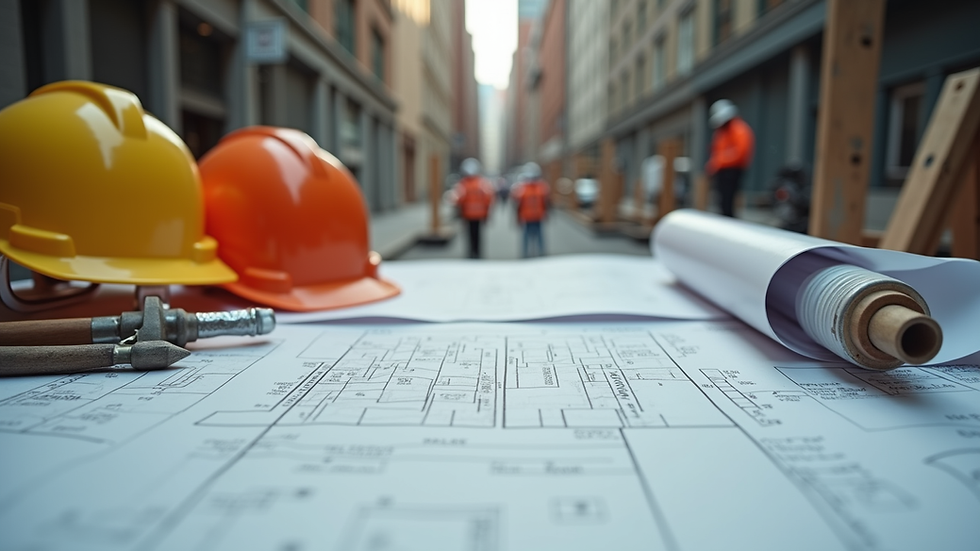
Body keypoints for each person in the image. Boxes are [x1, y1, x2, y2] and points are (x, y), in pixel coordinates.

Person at [706, 99, 754, 217]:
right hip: (722, 171)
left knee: (728, 198)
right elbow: (716, 150)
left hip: (732, 170)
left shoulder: (739, 129)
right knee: (721, 199)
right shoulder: (721, 132)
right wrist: (713, 164)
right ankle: (724, 217)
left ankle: (729, 219)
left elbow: (740, 152)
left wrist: (720, 161)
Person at [453, 157, 495, 258]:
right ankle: (477, 253)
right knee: (478, 235)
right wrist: (487, 214)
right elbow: (488, 199)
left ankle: (471, 253)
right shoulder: (482, 182)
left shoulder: (463, 183)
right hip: (479, 215)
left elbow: (458, 199)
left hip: (467, 215)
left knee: (469, 235)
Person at [511, 162, 550, 258]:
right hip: (527, 216)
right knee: (527, 236)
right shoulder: (522, 187)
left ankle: (541, 253)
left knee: (539, 235)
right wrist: (517, 217)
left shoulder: (541, 186)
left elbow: (546, 202)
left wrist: (546, 213)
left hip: (538, 216)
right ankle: (525, 254)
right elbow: (517, 203)